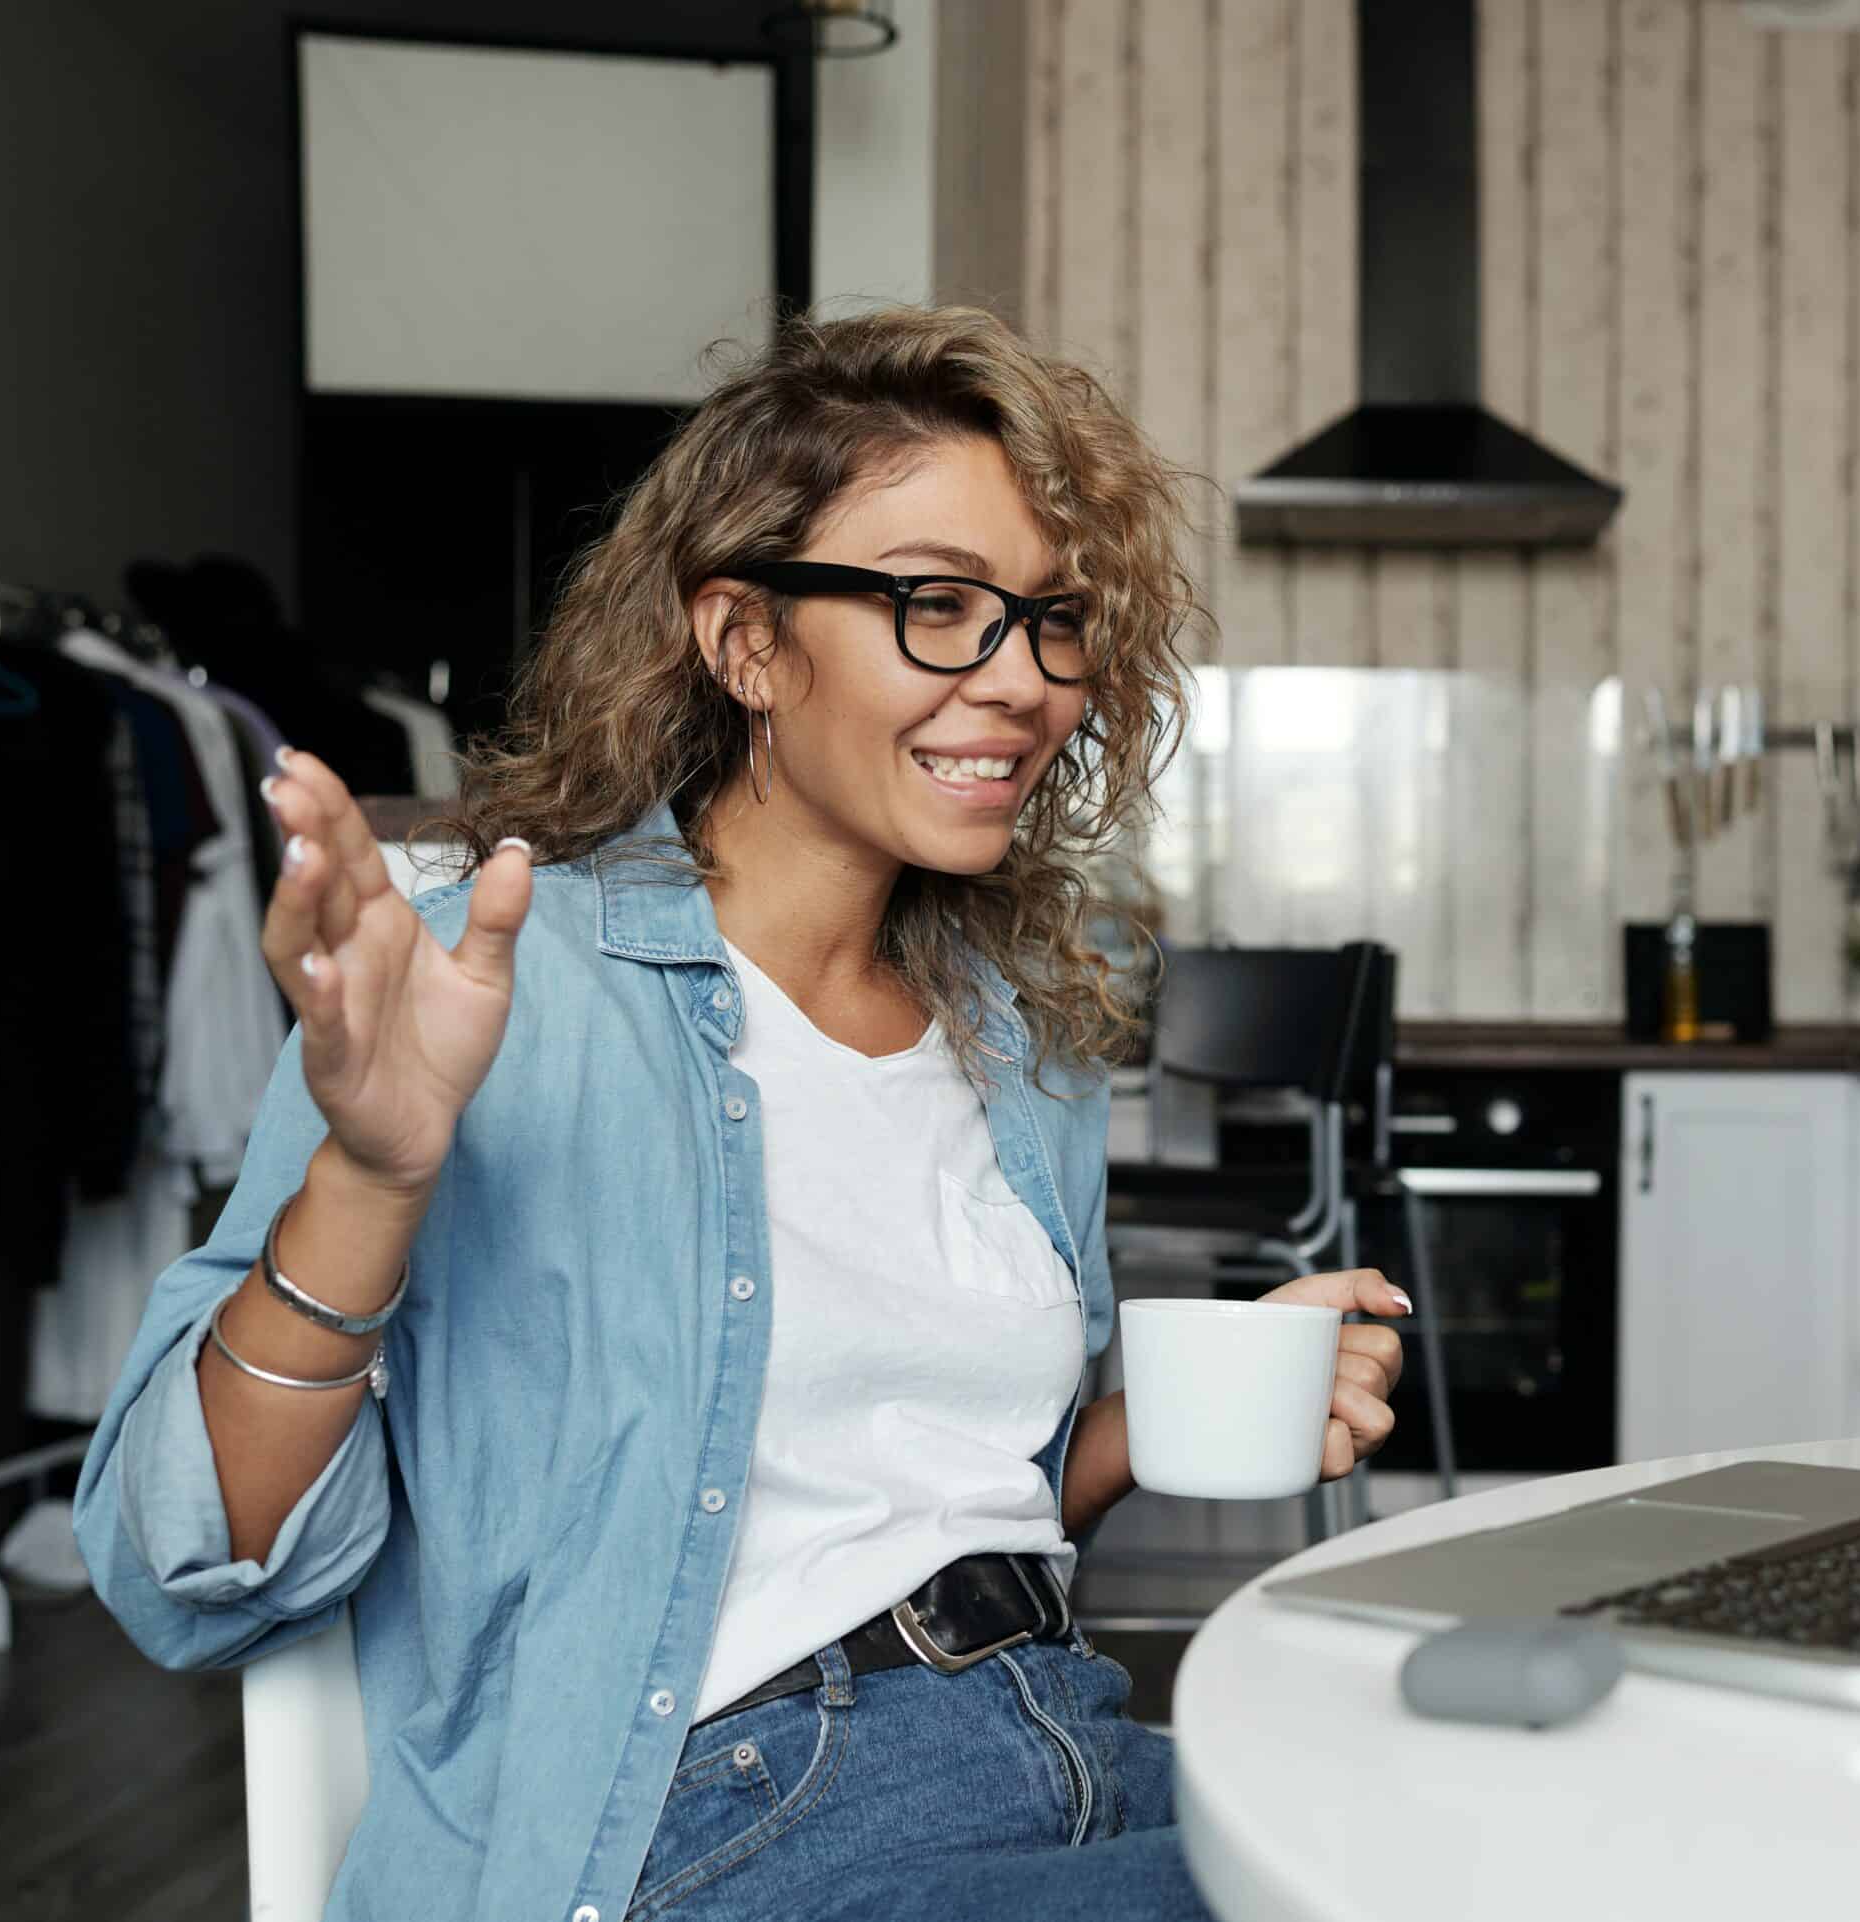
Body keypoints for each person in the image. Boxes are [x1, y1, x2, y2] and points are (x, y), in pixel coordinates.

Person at [73, 306, 1410, 1922]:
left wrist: (1146, 1429)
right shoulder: (486, 989)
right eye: (939, 606)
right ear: (745, 641)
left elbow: (901, 1508)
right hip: (725, 1832)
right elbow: (177, 1569)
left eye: (1054, 621)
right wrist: (371, 1171)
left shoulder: (1023, 1045)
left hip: (1063, 1736)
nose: (1023, 683)